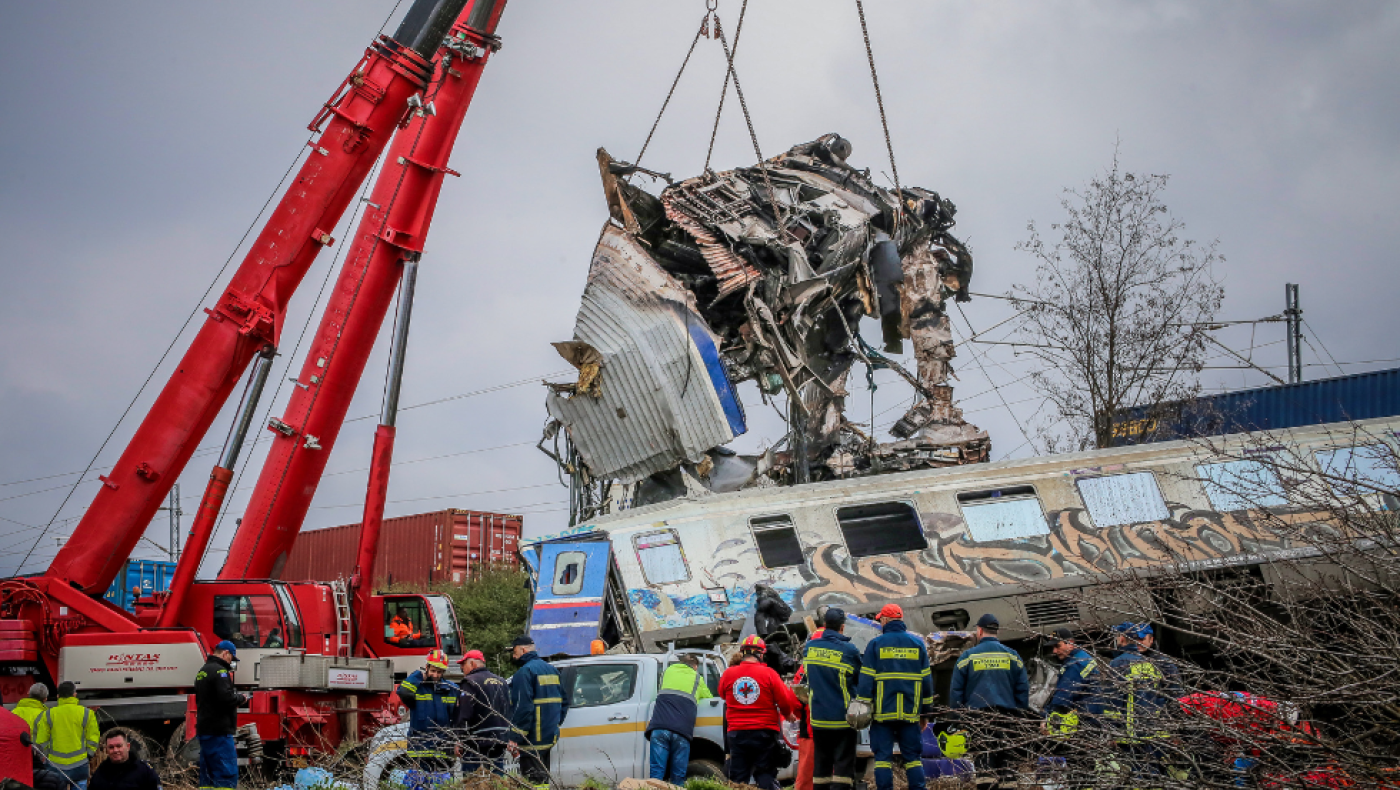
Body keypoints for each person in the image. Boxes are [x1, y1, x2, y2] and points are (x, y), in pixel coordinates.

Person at [855, 604, 933, 790]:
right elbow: (927, 683)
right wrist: (925, 714)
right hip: (910, 713)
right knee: (913, 759)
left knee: (882, 759)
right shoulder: (917, 644)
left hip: (882, 715)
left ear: (884, 620)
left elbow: (865, 681)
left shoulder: (875, 645)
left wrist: (863, 710)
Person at [948, 613, 1029, 787]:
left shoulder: (967, 657)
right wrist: (1020, 717)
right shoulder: (1013, 656)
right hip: (1008, 718)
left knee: (984, 764)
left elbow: (956, 692)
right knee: (1008, 765)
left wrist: (957, 721)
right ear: (997, 631)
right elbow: (1023, 690)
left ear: (979, 630)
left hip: (978, 719)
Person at [720, 635, 798, 790]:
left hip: (737, 733)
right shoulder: (769, 674)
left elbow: (723, 694)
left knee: (737, 778)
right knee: (764, 774)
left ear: (743, 653)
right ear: (761, 654)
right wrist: (788, 713)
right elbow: (785, 699)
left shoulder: (728, 674)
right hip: (764, 733)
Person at [1098, 622, 1174, 779]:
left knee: (1140, 775)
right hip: (1155, 732)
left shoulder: (1119, 663)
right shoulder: (1148, 663)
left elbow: (1112, 702)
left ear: (1122, 639)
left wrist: (1111, 731)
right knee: (1157, 774)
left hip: (1133, 735)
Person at [802, 607, 862, 790]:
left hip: (818, 719)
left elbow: (806, 679)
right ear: (842, 627)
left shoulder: (810, 649)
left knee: (821, 764)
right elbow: (859, 681)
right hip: (843, 719)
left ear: (825, 625)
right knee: (843, 766)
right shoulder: (849, 650)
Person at [507, 635, 568, 790]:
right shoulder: (552, 669)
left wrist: (515, 737)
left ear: (523, 650)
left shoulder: (524, 672)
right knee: (542, 778)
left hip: (532, 739)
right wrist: (555, 722)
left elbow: (523, 707)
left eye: (515, 652)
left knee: (533, 781)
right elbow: (565, 702)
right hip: (548, 736)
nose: (514, 656)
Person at [646, 653, 714, 785]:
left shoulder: (668, 672)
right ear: (695, 667)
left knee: (656, 774)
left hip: (659, 728)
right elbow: (709, 697)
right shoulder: (697, 678)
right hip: (681, 731)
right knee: (678, 776)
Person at [194, 641, 248, 790]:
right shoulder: (220, 672)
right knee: (226, 773)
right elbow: (226, 698)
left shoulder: (202, 671)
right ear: (225, 653)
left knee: (207, 775)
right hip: (219, 732)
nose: (231, 663)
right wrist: (241, 698)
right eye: (231, 658)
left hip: (205, 731)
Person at [397, 650, 460, 772]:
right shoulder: (417, 688)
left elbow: (457, 718)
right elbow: (403, 691)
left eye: (439, 672)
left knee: (442, 785)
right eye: (433, 671)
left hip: (444, 748)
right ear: (426, 667)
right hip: (420, 747)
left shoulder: (452, 689)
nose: (436, 675)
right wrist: (418, 675)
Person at [33, 681, 100, 790]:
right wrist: (88, 755)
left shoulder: (48, 714)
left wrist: (46, 758)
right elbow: (93, 738)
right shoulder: (87, 713)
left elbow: (41, 741)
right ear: (75, 694)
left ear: (58, 696)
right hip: (80, 763)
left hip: (55, 765)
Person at [454, 649, 511, 776]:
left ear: (473, 664)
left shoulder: (469, 682)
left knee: (473, 780)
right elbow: (508, 710)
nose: (462, 669)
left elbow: (464, 712)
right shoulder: (501, 681)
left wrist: (461, 739)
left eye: (463, 665)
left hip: (476, 741)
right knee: (497, 780)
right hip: (500, 738)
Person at [1042, 628, 1099, 738]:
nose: (1054, 651)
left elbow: (1063, 699)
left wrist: (1046, 717)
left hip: (1085, 721)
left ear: (1070, 643)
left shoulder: (1074, 666)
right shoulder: (1083, 657)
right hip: (1093, 715)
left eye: (1057, 646)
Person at [89, 729, 161, 790]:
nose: (115, 750)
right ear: (107, 750)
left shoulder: (144, 771)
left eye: (119, 746)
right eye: (111, 747)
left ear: (128, 746)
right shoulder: (101, 772)